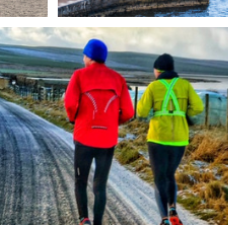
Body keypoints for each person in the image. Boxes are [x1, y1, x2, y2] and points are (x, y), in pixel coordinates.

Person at [64, 39, 135, 225]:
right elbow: (128, 112)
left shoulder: (79, 75)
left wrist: (74, 118)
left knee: (81, 180)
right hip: (107, 140)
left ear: (87, 56)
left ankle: (83, 219)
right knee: (100, 185)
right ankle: (97, 223)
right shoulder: (118, 79)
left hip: (84, 137)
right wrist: (113, 122)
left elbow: (70, 104)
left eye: (84, 55)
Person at [137, 54, 204, 225]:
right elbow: (198, 107)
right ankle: (173, 209)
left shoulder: (153, 87)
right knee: (170, 175)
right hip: (179, 139)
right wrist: (183, 114)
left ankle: (165, 219)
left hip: (158, 138)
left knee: (159, 178)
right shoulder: (185, 85)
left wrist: (154, 111)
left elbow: (141, 112)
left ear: (158, 70)